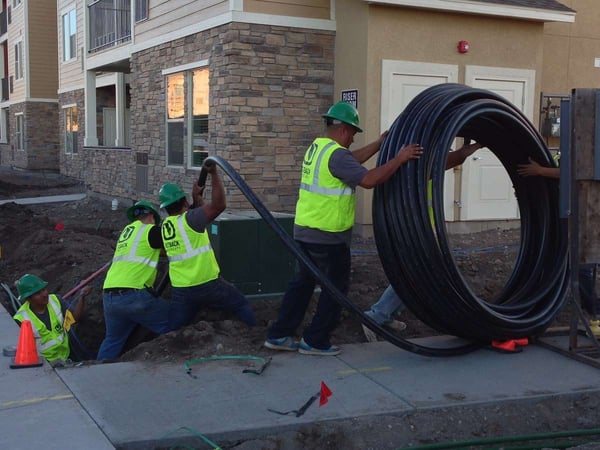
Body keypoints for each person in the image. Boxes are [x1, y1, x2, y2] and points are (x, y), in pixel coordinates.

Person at [264, 101, 423, 356]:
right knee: (335, 289)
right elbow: (369, 180)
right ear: (343, 130)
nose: (352, 139)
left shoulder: (319, 148)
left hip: (306, 230)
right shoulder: (337, 155)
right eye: (352, 134)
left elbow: (348, 161)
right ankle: (315, 341)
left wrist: (378, 145)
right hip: (328, 237)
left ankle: (279, 334)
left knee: (302, 284)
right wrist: (399, 159)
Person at [362, 141, 483, 343]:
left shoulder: (415, 160)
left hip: (420, 228)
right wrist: (463, 153)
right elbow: (443, 161)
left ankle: (385, 315)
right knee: (412, 275)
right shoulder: (415, 161)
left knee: (414, 275)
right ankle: (375, 316)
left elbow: (444, 161)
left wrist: (463, 153)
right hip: (413, 230)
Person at [159, 164, 257, 331]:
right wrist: (214, 174)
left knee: (174, 327)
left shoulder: (166, 225)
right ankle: (255, 336)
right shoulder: (191, 219)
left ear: (166, 208)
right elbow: (219, 205)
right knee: (241, 304)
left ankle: (163, 351)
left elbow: (190, 219)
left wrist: (196, 199)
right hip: (207, 285)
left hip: (181, 290)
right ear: (184, 201)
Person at [97, 200, 171, 360]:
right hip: (134, 295)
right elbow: (173, 246)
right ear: (152, 217)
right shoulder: (150, 231)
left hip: (109, 297)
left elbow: (152, 252)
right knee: (173, 323)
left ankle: (98, 372)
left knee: (113, 340)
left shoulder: (126, 233)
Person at [13, 273, 91, 364]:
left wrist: (81, 297)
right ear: (28, 299)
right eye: (38, 293)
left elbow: (75, 318)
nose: (44, 294)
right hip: (42, 364)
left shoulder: (55, 300)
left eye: (44, 290)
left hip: (65, 356)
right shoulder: (21, 318)